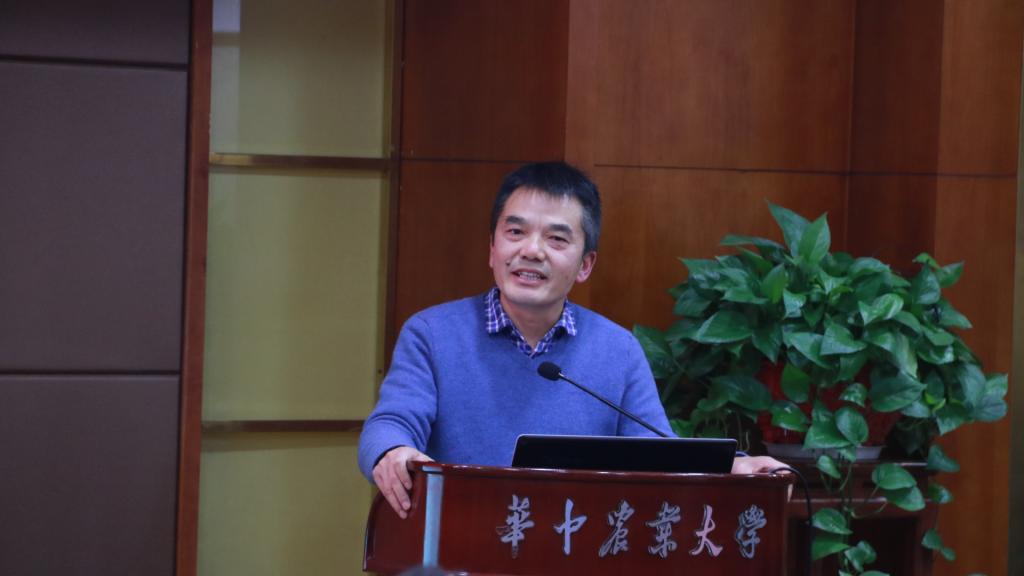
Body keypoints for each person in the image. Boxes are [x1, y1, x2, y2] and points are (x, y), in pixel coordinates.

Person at [358, 162, 784, 519]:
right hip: (460, 548)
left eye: (557, 239)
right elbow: (390, 423)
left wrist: (733, 466)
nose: (531, 250)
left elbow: (658, 455)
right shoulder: (432, 334)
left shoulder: (617, 350)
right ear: (491, 248)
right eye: (515, 232)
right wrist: (393, 452)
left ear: (585, 265)